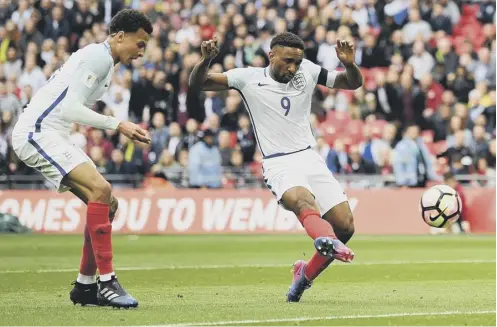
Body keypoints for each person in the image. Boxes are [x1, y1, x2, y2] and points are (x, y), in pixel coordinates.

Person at [189, 32, 363, 302]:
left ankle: (304, 274)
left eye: (297, 62)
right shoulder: (247, 78)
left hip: (309, 156)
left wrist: (349, 65)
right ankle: (326, 240)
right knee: (303, 201)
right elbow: (198, 83)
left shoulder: (308, 70)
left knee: (346, 226)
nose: (292, 68)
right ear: (271, 55)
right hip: (278, 161)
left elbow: (350, 83)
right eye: (287, 61)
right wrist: (205, 60)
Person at [11, 9, 153, 309]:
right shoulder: (97, 58)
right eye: (139, 43)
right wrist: (119, 124)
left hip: (54, 133)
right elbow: (71, 110)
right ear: (119, 36)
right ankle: (108, 281)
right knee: (101, 190)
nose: (142, 52)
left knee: (106, 203)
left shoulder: (105, 63)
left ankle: (85, 286)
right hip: (37, 132)